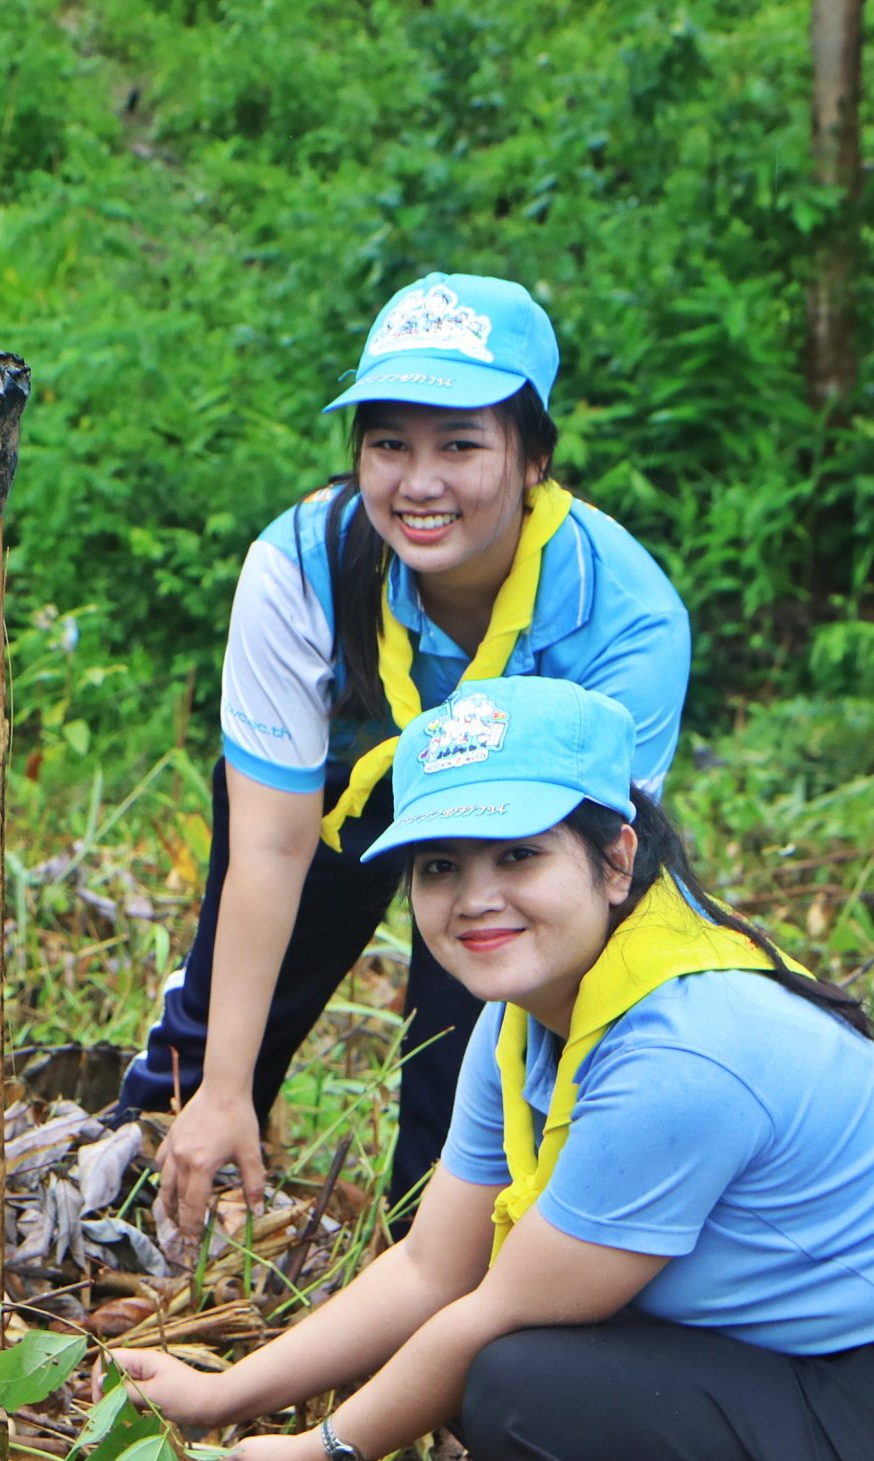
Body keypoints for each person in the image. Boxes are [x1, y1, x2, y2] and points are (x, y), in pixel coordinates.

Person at [116, 678, 874, 1461]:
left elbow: (490, 1315)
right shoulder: (524, 1018)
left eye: (520, 855)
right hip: (830, 1383)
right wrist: (222, 1393)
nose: (475, 897)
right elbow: (431, 1269)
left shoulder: (680, 1051)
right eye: (439, 866)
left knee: (519, 1390)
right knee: (532, 1365)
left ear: (614, 859)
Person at [122, 272, 692, 1245]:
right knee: (213, 1032)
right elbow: (265, 850)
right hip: (340, 793)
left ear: (534, 458)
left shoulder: (620, 620)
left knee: (473, 1023)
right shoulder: (300, 567)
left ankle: (433, 1261)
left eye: (460, 444)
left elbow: (589, 882)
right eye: (388, 444)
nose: (417, 483)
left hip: (515, 838)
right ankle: (150, 1196)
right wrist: (221, 1086)